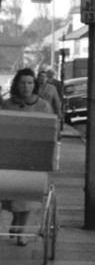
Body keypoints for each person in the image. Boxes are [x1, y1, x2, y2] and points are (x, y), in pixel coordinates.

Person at [2, 69, 54, 245]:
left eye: (30, 83)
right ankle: (16, 223)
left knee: (28, 196)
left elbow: (50, 131)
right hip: (10, 156)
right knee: (12, 196)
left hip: (33, 157)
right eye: (23, 83)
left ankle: (20, 230)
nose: (26, 86)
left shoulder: (43, 106)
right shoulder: (7, 105)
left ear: (35, 85)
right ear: (16, 84)